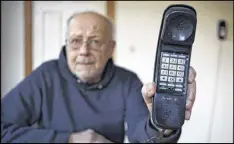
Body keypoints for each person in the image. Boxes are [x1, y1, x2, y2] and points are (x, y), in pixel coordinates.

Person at [1, 11, 197, 143]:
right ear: (67, 45)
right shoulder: (45, 75)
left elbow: (143, 136)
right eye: (76, 41)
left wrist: (161, 123)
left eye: (95, 42)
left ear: (111, 48)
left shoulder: (127, 81)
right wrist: (68, 139)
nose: (84, 51)